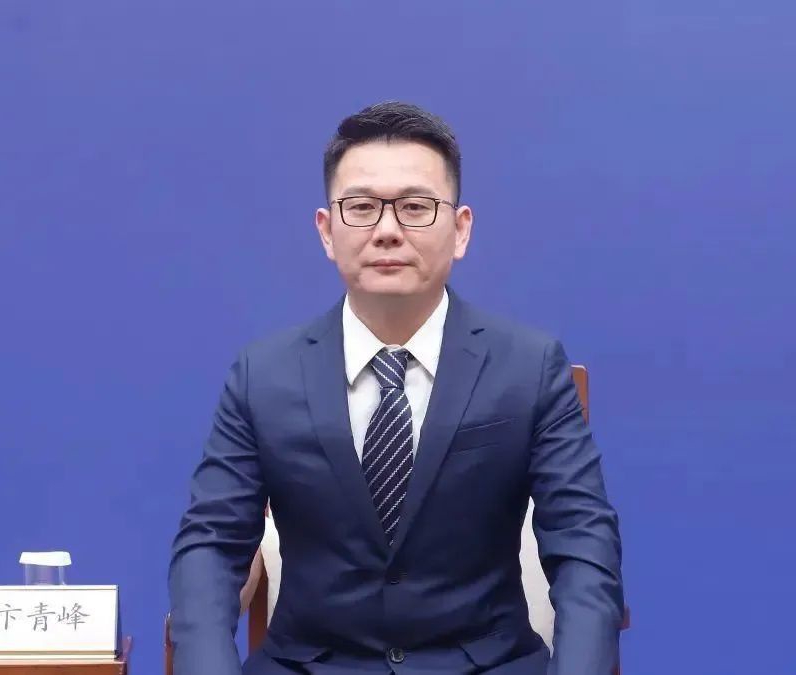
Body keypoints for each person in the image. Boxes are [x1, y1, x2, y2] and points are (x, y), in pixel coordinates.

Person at [168, 101, 624, 675]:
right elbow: (211, 544)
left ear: (460, 230)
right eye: (361, 208)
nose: (387, 231)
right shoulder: (262, 375)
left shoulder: (529, 367)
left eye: (415, 207)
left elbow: (583, 542)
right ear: (326, 231)